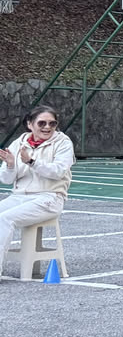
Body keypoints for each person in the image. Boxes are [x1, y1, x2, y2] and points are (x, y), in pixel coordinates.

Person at [0, 105, 75, 262]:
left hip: (49, 197)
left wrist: (32, 162)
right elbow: (6, 180)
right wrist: (10, 165)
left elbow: (58, 172)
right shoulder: (18, 143)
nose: (47, 127)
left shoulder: (63, 142)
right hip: (19, 196)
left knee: (5, 219)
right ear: (30, 124)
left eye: (52, 123)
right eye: (42, 123)